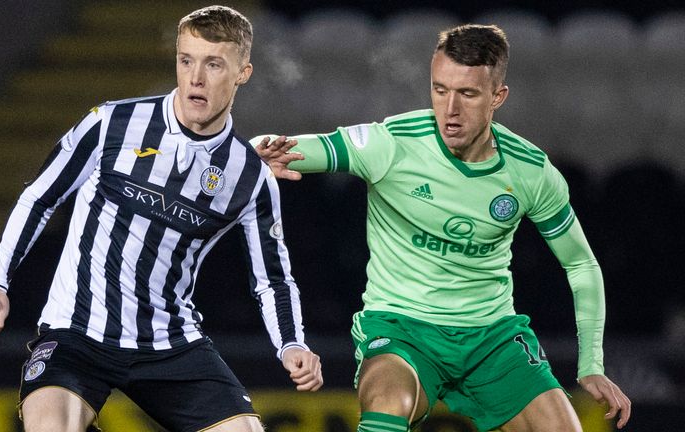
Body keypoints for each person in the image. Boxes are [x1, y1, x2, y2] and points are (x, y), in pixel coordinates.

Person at [253, 24, 630, 432]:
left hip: (492, 337)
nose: (449, 110)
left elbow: (581, 266)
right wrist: (260, 149)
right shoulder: (392, 144)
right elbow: (284, 146)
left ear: (497, 97)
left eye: (467, 94)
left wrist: (592, 363)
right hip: (402, 329)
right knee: (387, 403)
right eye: (439, 90)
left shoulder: (531, 172)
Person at [0, 5, 323, 432]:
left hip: (169, 344)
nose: (195, 78)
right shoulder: (112, 123)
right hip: (76, 332)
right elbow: (39, 197)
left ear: (242, 73)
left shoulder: (249, 176)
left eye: (213, 64)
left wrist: (291, 344)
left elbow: (273, 279)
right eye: (186, 60)